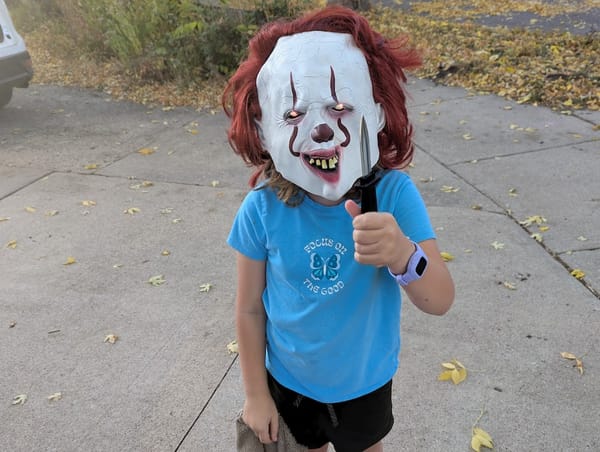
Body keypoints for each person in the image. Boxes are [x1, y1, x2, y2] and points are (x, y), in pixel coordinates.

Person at [223, 6, 455, 452]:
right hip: (289, 381)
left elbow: (440, 299)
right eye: (292, 115)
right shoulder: (261, 210)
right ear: (263, 130)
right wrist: (255, 395)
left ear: (379, 113)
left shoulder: (393, 197)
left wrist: (403, 254)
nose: (323, 128)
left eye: (342, 106)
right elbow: (250, 309)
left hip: (365, 381)